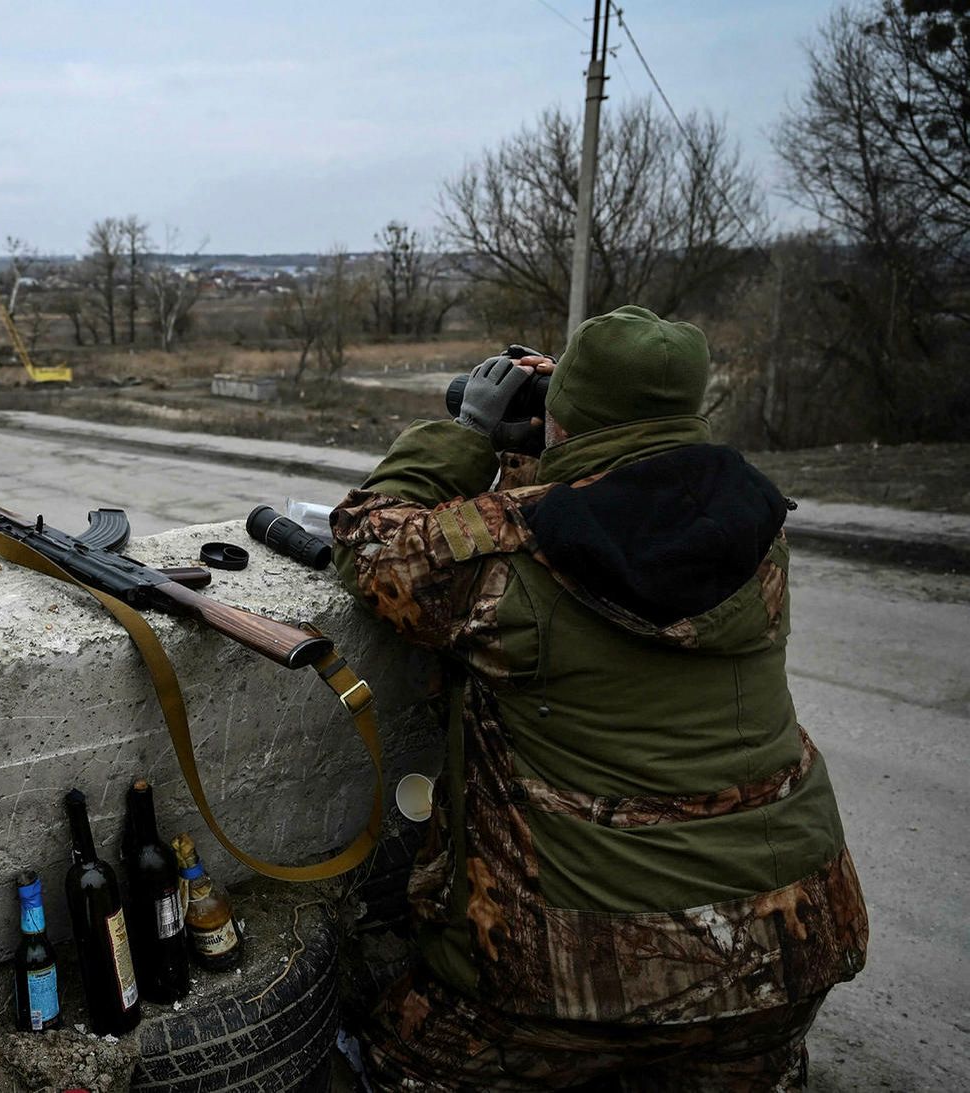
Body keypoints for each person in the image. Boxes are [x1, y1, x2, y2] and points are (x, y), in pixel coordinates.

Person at [330, 305, 867, 1091]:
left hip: (569, 986)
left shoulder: (513, 552)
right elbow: (628, 501)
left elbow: (369, 539)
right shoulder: (756, 525)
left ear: (569, 422)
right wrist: (564, 437)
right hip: (784, 957)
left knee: (386, 1058)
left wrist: (476, 431)